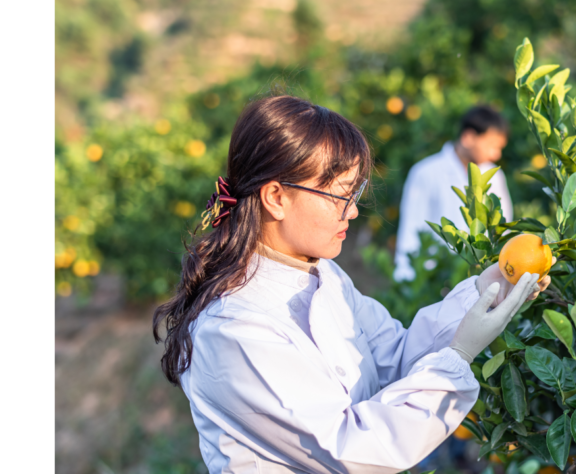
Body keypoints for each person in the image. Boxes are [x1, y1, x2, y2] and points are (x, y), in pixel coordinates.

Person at [152, 95, 553, 473]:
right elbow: (349, 449)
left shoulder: (323, 275)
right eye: (341, 195)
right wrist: (458, 356)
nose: (355, 210)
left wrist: (483, 290)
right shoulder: (233, 330)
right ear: (276, 196)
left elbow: (394, 358)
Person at [393, 105, 514, 281]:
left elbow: (502, 226)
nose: (496, 154)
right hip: (434, 278)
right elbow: (411, 228)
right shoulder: (426, 172)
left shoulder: (494, 176)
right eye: (491, 146)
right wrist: (406, 281)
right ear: (468, 137)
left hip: (481, 278)